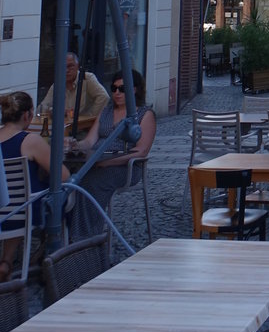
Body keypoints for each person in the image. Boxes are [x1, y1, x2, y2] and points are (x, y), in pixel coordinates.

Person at [68, 70, 156, 239]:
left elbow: (141, 150)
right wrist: (75, 145)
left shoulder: (145, 114)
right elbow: (89, 141)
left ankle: (86, 238)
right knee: (67, 179)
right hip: (96, 161)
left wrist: (109, 162)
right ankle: (68, 230)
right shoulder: (106, 111)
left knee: (89, 183)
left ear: (134, 90)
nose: (117, 93)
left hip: (125, 166)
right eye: (114, 88)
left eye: (122, 89)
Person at [0, 90, 70, 280]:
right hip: (22, 212)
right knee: (62, 196)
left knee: (16, 200)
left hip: (4, 211)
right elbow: (63, 175)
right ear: (27, 115)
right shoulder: (29, 140)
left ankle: (6, 262)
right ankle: (48, 254)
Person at [38, 51, 109, 122]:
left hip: (84, 127)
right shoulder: (58, 84)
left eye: (70, 66)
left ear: (78, 66)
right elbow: (41, 108)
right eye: (63, 66)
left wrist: (89, 117)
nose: (66, 70)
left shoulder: (86, 78)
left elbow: (104, 97)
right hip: (64, 127)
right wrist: (54, 110)